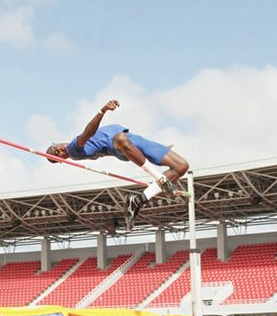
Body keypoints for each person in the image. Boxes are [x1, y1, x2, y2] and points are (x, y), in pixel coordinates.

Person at [46, 99, 189, 230]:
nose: (58, 147)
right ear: (60, 158)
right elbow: (87, 133)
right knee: (120, 138)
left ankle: (138, 200)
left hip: (135, 140)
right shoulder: (73, 150)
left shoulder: (72, 148)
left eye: (54, 145)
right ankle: (160, 178)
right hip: (119, 144)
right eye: (56, 151)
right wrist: (102, 111)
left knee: (181, 166)